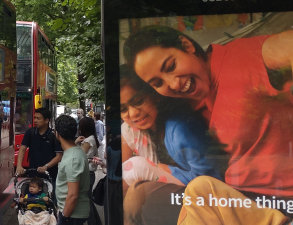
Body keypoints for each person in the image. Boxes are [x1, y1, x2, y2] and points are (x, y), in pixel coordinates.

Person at [124, 25, 293, 196]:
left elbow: (287, 45)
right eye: (158, 83)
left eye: (171, 66)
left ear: (187, 45)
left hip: (276, 201)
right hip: (236, 201)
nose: (174, 84)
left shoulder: (239, 58)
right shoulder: (183, 103)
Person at [118, 64, 223, 187]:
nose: (133, 113)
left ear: (154, 95)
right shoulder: (137, 129)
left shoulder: (180, 130)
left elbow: (212, 181)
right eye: (123, 109)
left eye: (139, 101)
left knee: (134, 169)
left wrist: (166, 169)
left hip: (208, 194)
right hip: (185, 192)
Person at [54, 115, 90, 225]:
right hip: (71, 213)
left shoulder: (72, 158)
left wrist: (64, 216)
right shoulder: (74, 151)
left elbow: (73, 195)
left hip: (72, 215)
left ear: (57, 134)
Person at [16, 108, 63, 185]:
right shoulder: (30, 133)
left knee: (51, 195)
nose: (35, 120)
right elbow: (22, 149)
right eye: (35, 118)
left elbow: (59, 156)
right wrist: (19, 166)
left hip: (50, 176)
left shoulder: (53, 135)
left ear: (46, 120)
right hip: (33, 175)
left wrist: (46, 167)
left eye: (38, 118)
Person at [74, 118, 101, 225]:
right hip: (90, 173)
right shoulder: (92, 138)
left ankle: (93, 222)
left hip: (86, 173)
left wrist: (75, 143)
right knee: (87, 199)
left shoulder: (88, 141)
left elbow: (78, 155)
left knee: (86, 200)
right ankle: (95, 222)